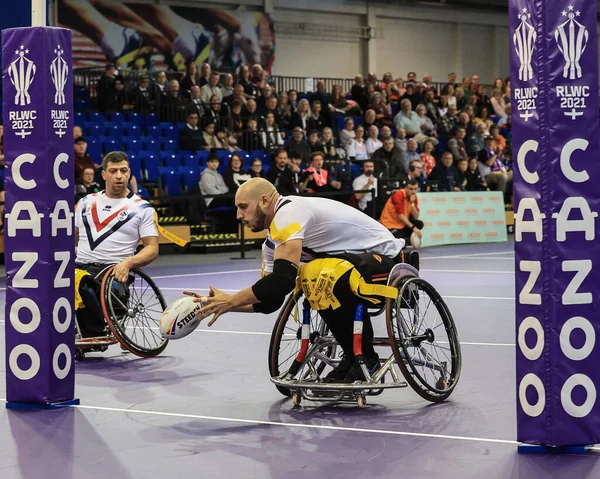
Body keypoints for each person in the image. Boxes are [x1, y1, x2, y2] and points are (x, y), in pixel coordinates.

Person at [184, 178, 414, 383]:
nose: (238, 215)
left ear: (264, 200)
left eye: (243, 207)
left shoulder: (288, 213)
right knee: (318, 279)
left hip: (387, 260)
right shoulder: (271, 243)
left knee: (322, 275)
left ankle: (364, 357)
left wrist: (233, 299)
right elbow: (270, 299)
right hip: (350, 267)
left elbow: (283, 280)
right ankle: (353, 355)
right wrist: (220, 304)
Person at [74, 151, 159, 338]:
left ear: (129, 173)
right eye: (113, 171)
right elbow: (73, 238)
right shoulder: (84, 203)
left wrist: (128, 263)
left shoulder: (142, 208)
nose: (119, 175)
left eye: (123, 170)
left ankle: (92, 333)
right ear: (103, 174)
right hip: (80, 266)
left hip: (113, 271)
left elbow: (152, 248)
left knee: (79, 281)